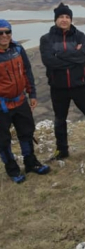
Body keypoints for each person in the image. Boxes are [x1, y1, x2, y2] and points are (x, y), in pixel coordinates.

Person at [40, 3, 85, 161]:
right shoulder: (46, 39)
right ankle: (62, 150)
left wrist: (59, 54)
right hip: (58, 87)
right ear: (55, 19)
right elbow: (49, 62)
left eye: (67, 17)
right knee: (60, 120)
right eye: (61, 17)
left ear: (71, 19)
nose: (64, 20)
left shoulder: (80, 36)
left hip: (80, 85)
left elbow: (83, 58)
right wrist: (73, 54)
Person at [0, 20, 50, 183]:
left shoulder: (18, 50)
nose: (4, 36)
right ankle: (13, 170)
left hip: (20, 100)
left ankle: (30, 163)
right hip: (2, 105)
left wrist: (32, 94)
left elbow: (27, 72)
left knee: (26, 132)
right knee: (3, 140)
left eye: (7, 32)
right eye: (0, 33)